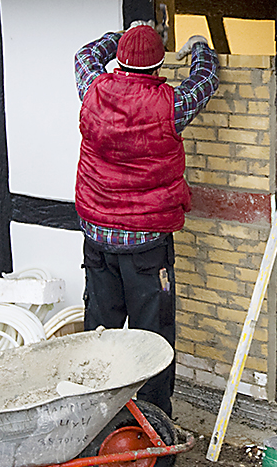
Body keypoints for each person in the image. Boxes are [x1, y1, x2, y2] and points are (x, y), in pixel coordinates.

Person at [74, 22, 217, 418]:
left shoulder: (92, 90)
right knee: (153, 339)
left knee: (99, 335)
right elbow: (205, 79)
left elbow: (84, 56)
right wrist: (199, 46)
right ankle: (153, 422)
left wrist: (118, 36)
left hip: (98, 240)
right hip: (146, 246)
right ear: (158, 68)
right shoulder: (171, 104)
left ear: (119, 61)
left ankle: (95, 418)